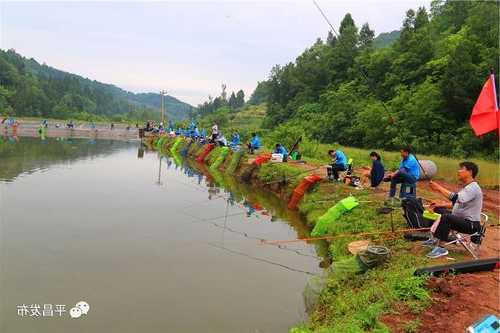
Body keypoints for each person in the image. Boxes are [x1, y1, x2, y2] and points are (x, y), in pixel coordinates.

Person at [423, 162, 483, 259]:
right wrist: (439, 204)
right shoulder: (467, 187)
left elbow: (456, 198)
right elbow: (457, 203)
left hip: (471, 225)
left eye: (461, 169)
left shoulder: (473, 188)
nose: (458, 171)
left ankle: (441, 248)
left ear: (470, 172)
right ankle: (434, 238)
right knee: (439, 210)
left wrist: (438, 188)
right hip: (462, 221)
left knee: (447, 217)